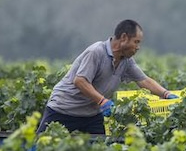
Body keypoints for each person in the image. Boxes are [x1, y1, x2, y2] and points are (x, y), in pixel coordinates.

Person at [37, 19, 177, 135]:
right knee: (40, 150)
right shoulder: (96, 52)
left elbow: (143, 80)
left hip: (91, 115)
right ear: (123, 38)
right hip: (63, 110)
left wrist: (166, 94)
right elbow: (80, 81)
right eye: (136, 42)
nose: (138, 47)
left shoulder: (126, 61)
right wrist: (103, 101)